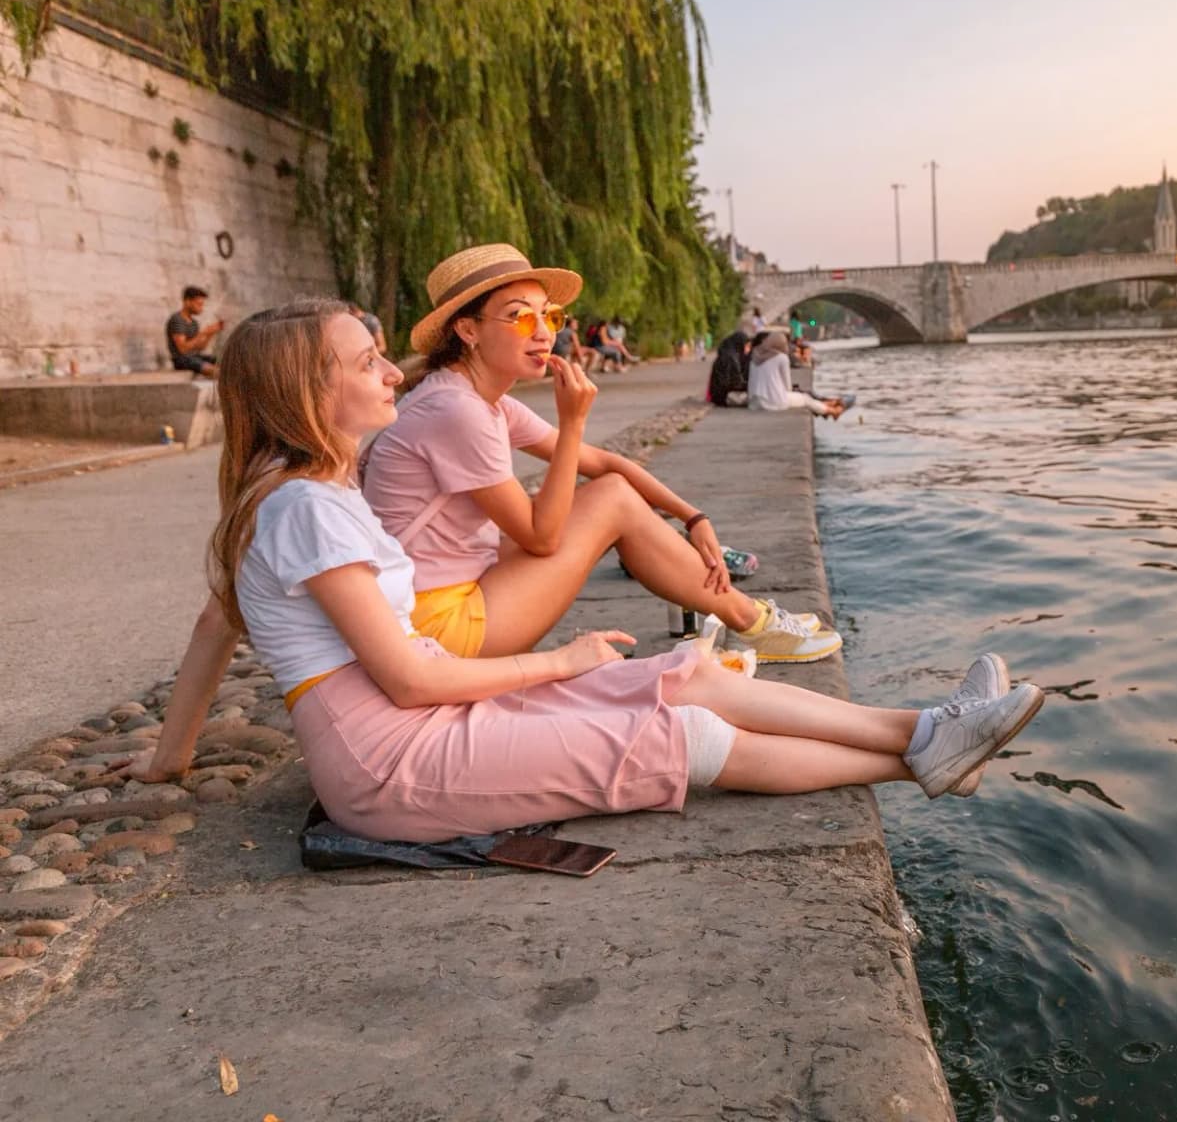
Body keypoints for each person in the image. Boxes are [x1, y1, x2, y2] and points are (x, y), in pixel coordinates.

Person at [126, 298, 1045, 841]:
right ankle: (918, 761)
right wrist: (560, 664)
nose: (391, 377)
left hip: (421, 724)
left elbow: (217, 624)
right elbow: (407, 680)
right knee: (676, 737)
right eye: (367, 364)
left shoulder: (295, 493)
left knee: (682, 673)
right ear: (305, 392)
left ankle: (927, 726)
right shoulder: (307, 507)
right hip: (390, 765)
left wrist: (170, 763)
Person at [363, 244, 840, 663]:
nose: (543, 332)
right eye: (519, 316)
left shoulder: (478, 399)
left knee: (611, 492)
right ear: (467, 330)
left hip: (446, 596)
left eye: (548, 315)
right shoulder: (456, 410)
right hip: (437, 630)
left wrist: (694, 517)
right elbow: (542, 538)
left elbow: (607, 464)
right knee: (608, 501)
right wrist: (572, 422)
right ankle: (748, 620)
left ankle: (745, 614)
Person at [748, 331, 848, 418]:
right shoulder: (781, 358)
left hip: (754, 403)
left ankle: (827, 406)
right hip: (774, 403)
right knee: (805, 399)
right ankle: (833, 412)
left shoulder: (755, 357)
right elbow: (787, 387)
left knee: (801, 399)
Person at [166, 286, 224, 377]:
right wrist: (203, 333)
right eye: (199, 304)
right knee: (216, 371)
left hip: (195, 357)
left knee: (224, 361)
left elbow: (200, 347)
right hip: (181, 360)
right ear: (187, 302)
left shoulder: (194, 323)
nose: (201, 308)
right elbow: (183, 349)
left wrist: (210, 333)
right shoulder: (177, 319)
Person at [706, 319, 753, 408]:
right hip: (722, 396)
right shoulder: (731, 358)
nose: (747, 349)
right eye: (746, 346)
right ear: (740, 344)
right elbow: (735, 381)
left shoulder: (726, 353)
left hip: (716, 394)